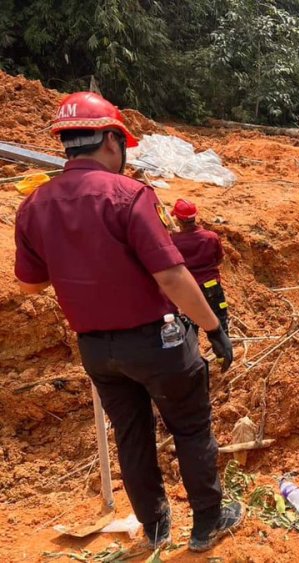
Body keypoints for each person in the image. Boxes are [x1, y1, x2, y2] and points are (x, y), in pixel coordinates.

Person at [14, 92, 242, 552]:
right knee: (191, 427)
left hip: (97, 350)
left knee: (132, 435)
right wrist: (214, 328)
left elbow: (30, 286)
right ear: (113, 141)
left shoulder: (34, 205)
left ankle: (156, 529)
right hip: (157, 342)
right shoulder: (129, 195)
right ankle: (207, 523)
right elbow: (173, 276)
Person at [170, 199, 229, 332]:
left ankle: (194, 351)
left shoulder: (173, 241)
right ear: (195, 216)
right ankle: (224, 349)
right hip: (212, 285)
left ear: (178, 219)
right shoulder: (211, 237)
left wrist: (175, 235)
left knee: (191, 325)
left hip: (190, 288)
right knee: (221, 320)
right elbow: (220, 260)